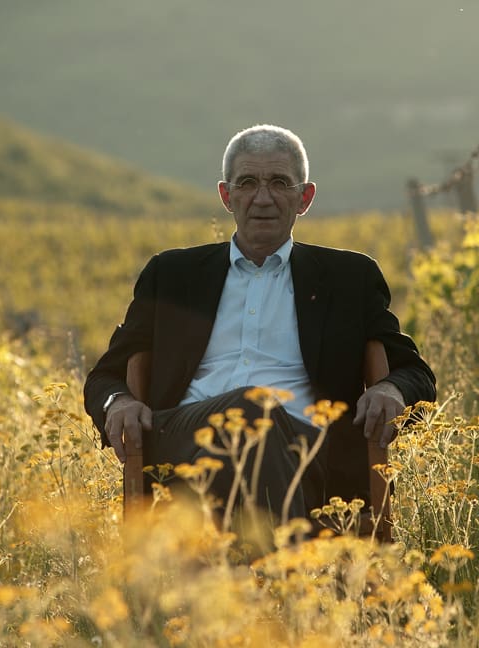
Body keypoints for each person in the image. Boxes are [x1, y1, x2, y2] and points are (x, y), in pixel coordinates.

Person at [84, 124, 436, 524]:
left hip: (306, 451)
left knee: (259, 418)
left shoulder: (349, 278)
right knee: (253, 407)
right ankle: (287, 557)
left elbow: (415, 374)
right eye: (247, 182)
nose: (262, 197)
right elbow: (105, 378)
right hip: (182, 445)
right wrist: (119, 402)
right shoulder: (173, 275)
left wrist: (390, 388)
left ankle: (233, 552)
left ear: (304, 198)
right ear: (226, 196)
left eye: (279, 183)